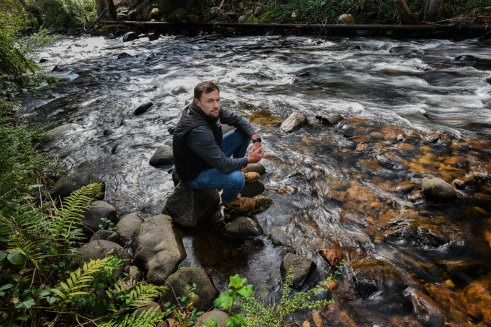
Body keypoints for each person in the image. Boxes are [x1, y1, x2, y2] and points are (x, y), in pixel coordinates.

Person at [173, 81, 264, 213]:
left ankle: (239, 170)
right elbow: (223, 165)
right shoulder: (197, 130)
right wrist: (250, 160)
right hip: (196, 174)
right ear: (197, 102)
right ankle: (230, 200)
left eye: (218, 100)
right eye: (210, 101)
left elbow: (239, 120)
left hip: (208, 157)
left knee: (244, 132)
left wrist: (256, 140)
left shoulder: (209, 110)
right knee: (236, 180)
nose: (216, 105)